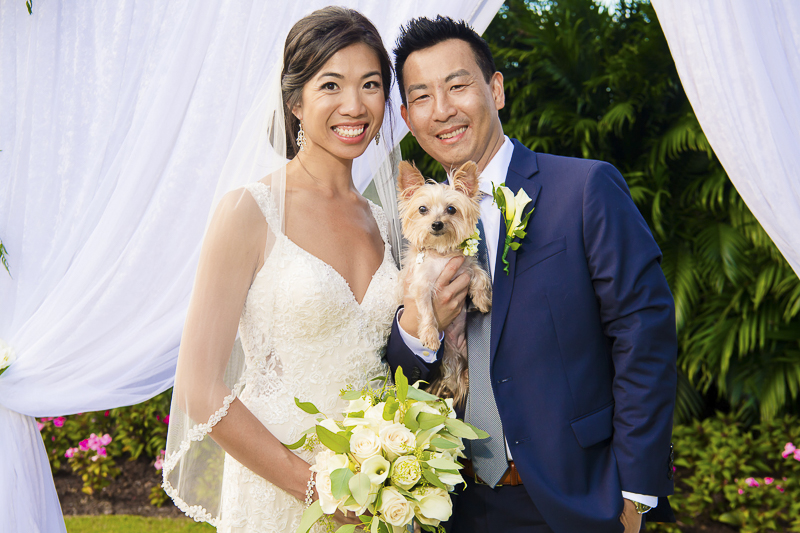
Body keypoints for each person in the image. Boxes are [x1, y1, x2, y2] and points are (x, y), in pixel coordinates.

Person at [384, 16, 677, 533]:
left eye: (458, 86)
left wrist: (636, 494)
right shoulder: (410, 226)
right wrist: (418, 329)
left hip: (573, 502)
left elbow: (643, 335)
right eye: (423, 97)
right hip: (449, 502)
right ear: (408, 117)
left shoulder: (583, 188)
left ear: (495, 89)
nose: (444, 109)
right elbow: (395, 365)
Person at [162, 8, 401, 532]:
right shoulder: (249, 211)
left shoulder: (389, 225)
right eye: (331, 85)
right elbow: (200, 388)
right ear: (294, 101)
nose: (354, 106)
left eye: (371, 84)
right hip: (279, 491)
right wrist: (313, 486)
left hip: (379, 492)